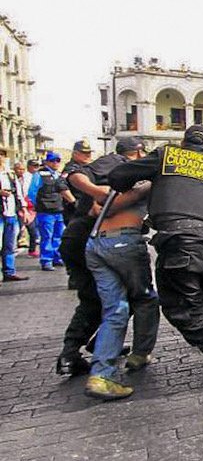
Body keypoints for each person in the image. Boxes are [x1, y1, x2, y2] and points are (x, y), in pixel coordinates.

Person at [109, 125, 203, 388]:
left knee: (185, 309)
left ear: (184, 144)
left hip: (181, 243)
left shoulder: (166, 156)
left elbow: (118, 176)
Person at [55, 138, 150, 377]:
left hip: (84, 239)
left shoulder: (113, 167)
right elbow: (73, 174)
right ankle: (71, 353)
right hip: (91, 237)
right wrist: (100, 195)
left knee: (113, 297)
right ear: (138, 154)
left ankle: (99, 344)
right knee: (105, 299)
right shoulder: (117, 163)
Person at [28, 151, 75, 271]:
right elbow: (32, 192)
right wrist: (37, 205)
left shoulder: (58, 175)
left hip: (58, 210)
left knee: (58, 235)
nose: (55, 163)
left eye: (58, 160)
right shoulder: (40, 174)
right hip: (45, 211)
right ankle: (46, 260)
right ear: (47, 161)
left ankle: (57, 257)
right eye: (53, 160)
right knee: (46, 236)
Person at [0, 157, 29, 282]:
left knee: (10, 245)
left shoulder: (10, 175)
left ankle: (9, 272)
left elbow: (19, 194)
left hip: (11, 213)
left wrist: (24, 209)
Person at [62, 139, 94, 225]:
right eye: (84, 153)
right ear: (75, 154)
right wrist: (75, 203)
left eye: (89, 153)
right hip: (75, 213)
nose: (88, 156)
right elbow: (61, 186)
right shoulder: (71, 168)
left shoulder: (87, 168)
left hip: (88, 210)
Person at [22, 159, 40, 256]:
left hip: (34, 207)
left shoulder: (38, 176)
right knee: (23, 228)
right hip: (24, 206)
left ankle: (32, 250)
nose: (35, 168)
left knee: (33, 230)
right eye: (34, 166)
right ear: (28, 166)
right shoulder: (25, 177)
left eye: (37, 166)